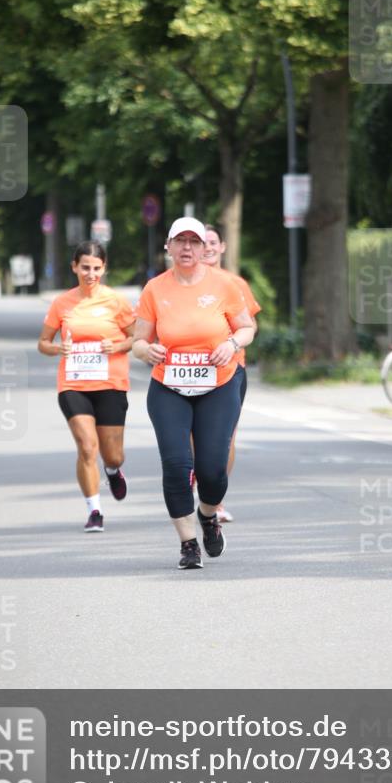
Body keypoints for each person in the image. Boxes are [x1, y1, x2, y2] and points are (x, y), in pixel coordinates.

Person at [133, 217, 255, 570]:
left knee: (213, 470)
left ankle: (207, 516)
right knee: (175, 465)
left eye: (194, 242)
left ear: (204, 249)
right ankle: (188, 544)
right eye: (180, 241)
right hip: (168, 386)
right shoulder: (155, 289)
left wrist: (231, 344)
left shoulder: (225, 286)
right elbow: (139, 339)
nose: (187, 248)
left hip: (218, 384)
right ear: (168, 247)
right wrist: (146, 351)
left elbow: (246, 328)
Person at [37, 241, 135, 532]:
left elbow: (137, 339)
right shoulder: (62, 303)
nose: (90, 274)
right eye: (85, 267)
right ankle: (94, 509)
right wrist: (58, 350)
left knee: (112, 453)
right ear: (74, 267)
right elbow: (43, 343)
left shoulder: (116, 301)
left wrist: (115, 345)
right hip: (73, 383)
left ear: (104, 269)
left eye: (96, 268)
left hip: (110, 383)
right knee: (86, 446)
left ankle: (113, 470)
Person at [201, 223, 261, 522]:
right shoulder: (184, 283)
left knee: (226, 436)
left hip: (231, 369)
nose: (209, 247)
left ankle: (216, 500)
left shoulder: (235, 284)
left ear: (223, 246)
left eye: (214, 242)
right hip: (191, 370)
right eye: (204, 242)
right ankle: (199, 486)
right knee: (192, 437)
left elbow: (250, 325)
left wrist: (231, 343)